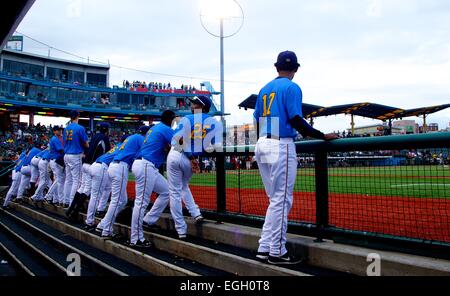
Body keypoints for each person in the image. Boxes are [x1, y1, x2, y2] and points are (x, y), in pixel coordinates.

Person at [253, 51, 339, 265]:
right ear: (296, 69)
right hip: (281, 143)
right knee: (281, 200)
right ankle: (277, 251)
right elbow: (296, 120)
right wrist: (321, 136)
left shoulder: (264, 89)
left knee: (275, 200)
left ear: (276, 67)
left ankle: (265, 247)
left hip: (263, 142)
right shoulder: (291, 87)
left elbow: (256, 120)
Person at [169, 96, 222, 239]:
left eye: (195, 103)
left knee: (175, 192)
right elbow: (215, 147)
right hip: (191, 160)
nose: (192, 105)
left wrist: (191, 155)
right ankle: (196, 213)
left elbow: (177, 140)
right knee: (184, 187)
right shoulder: (215, 123)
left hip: (178, 154)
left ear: (203, 107)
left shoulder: (186, 119)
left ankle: (181, 230)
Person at [128, 110, 176, 248]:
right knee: (141, 202)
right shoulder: (166, 129)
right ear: (171, 120)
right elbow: (180, 146)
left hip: (147, 165)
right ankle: (136, 238)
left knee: (167, 191)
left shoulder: (155, 128)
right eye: (173, 120)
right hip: (145, 165)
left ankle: (148, 220)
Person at [99, 125, 150, 238]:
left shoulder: (130, 138)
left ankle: (102, 224)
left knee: (122, 200)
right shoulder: (140, 138)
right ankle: (106, 230)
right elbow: (146, 151)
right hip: (120, 167)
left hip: (114, 166)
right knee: (116, 201)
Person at [66, 122, 111, 220]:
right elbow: (106, 153)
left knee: (82, 187)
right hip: (93, 164)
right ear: (106, 130)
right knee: (87, 190)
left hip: (85, 163)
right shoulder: (104, 138)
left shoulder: (94, 136)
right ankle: (75, 212)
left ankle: (70, 209)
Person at [83, 143, 120, 231]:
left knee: (107, 188)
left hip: (95, 165)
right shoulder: (123, 148)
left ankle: (100, 209)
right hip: (101, 168)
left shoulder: (118, 146)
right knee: (95, 196)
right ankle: (89, 222)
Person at [63, 110, 89, 208]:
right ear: (77, 116)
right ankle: (71, 203)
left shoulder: (66, 128)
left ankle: (65, 201)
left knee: (68, 180)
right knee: (76, 181)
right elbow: (86, 143)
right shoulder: (80, 128)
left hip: (66, 155)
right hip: (75, 155)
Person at [45, 126, 65, 205]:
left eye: (60, 130)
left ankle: (55, 199)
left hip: (56, 160)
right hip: (55, 160)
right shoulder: (54, 139)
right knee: (59, 180)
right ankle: (48, 196)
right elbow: (61, 149)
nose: (60, 131)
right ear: (54, 131)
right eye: (58, 130)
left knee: (58, 180)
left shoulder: (57, 138)